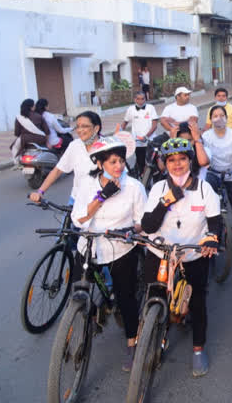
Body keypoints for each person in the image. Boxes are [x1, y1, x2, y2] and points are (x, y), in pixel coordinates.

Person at [141, 138, 222, 376]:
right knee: (154, 296)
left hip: (193, 254)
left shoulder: (204, 188)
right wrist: (167, 201)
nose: (177, 165)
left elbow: (215, 223)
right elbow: (147, 225)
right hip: (160, 253)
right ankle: (151, 336)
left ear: (190, 161)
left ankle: (198, 349)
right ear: (165, 164)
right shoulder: (158, 188)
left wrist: (210, 238)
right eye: (171, 160)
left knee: (197, 301)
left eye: (182, 159)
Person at [71, 136, 146, 371]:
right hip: (90, 245)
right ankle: (89, 316)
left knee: (126, 298)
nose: (119, 166)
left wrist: (130, 231)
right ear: (100, 163)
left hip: (120, 247)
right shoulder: (87, 184)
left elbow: (143, 221)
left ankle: (132, 344)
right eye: (112, 162)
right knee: (77, 289)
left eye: (121, 161)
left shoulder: (133, 186)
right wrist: (101, 197)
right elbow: (79, 217)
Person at [29, 111, 102, 204]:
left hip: (99, 201)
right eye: (78, 127)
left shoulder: (107, 146)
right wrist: (40, 192)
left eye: (85, 126)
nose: (80, 130)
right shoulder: (75, 145)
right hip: (76, 200)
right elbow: (58, 170)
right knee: (67, 219)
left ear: (96, 128)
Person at [120, 91, 159, 176]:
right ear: (135, 99)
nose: (141, 101)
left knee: (152, 163)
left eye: (143, 99)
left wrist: (146, 136)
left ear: (145, 99)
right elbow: (124, 123)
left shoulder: (150, 108)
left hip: (150, 141)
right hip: (138, 142)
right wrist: (117, 134)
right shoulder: (131, 109)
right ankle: (143, 180)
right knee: (140, 163)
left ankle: (154, 179)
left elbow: (155, 125)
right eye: (138, 99)